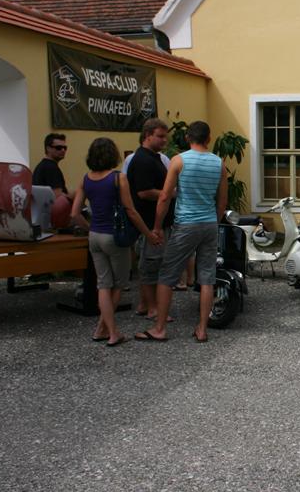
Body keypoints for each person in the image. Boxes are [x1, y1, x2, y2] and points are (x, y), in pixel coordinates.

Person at [136, 121, 227, 343]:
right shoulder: (219, 164)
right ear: (208, 138)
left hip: (186, 224)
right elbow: (222, 202)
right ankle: (202, 329)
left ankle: (159, 328)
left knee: (167, 275)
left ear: (188, 138)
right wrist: (213, 222)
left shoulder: (178, 161)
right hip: (208, 224)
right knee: (207, 277)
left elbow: (165, 197)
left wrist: (157, 226)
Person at [69, 138, 158, 346]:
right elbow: (131, 211)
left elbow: (74, 213)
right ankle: (112, 332)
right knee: (119, 284)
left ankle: (102, 329)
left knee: (103, 284)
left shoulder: (85, 179)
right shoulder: (119, 179)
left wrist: (89, 227)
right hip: (115, 237)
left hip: (95, 236)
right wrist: (148, 233)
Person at [126, 118, 174, 321]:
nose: (164, 140)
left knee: (156, 263)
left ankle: (146, 304)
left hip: (159, 221)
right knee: (151, 266)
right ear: (147, 136)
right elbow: (144, 192)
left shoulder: (154, 157)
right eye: (160, 136)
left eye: (165, 136)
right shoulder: (142, 160)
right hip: (149, 223)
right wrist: (168, 193)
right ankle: (153, 308)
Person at [32, 133, 70, 198]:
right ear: (48, 148)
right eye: (59, 148)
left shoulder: (42, 166)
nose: (63, 150)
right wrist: (77, 195)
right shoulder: (51, 168)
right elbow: (58, 196)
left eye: (65, 148)